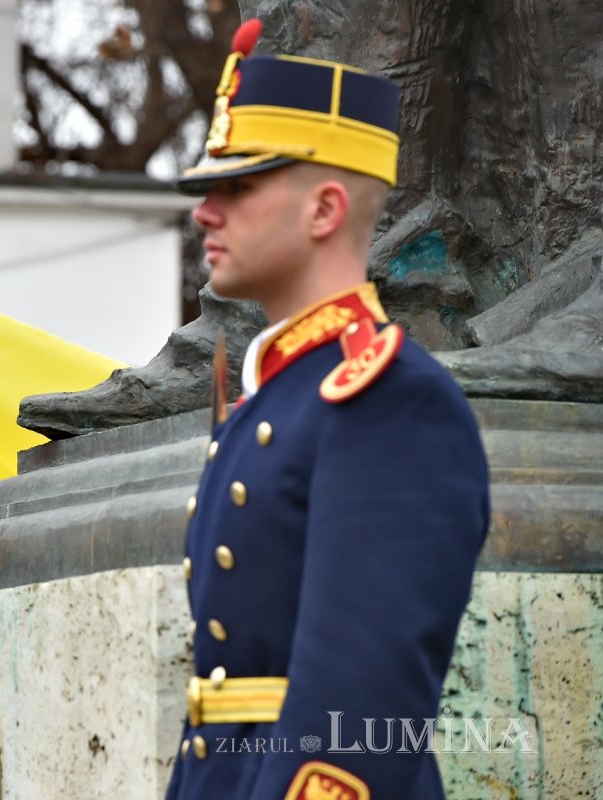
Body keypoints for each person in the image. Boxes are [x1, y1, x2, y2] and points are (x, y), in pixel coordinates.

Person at [165, 19, 490, 800]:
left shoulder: (390, 400)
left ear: (324, 210)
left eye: (238, 187)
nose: (205, 212)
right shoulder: (276, 396)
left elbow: (361, 710)